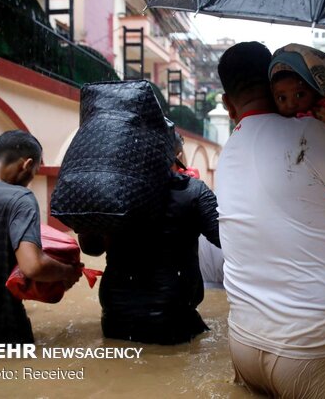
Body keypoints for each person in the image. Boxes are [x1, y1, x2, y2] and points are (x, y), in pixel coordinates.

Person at [216, 41, 325, 397]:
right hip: (309, 350)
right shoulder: (311, 136)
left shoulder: (226, 153)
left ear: (227, 105)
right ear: (274, 85)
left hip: (243, 342)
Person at [78, 130, 220, 345]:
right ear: (179, 156)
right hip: (174, 320)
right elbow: (227, 241)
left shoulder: (112, 190)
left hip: (116, 316)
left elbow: (91, 248)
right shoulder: (193, 191)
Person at [0, 130, 82, 355]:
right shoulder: (19, 199)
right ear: (27, 164)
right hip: (2, 335)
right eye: (34, 173)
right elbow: (33, 266)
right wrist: (67, 271)